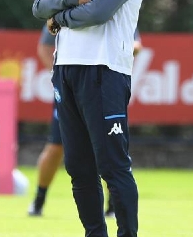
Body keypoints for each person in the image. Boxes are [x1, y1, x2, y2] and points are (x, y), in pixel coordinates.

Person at [31, 0, 147, 237]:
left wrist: (60, 17)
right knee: (79, 167)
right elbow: (38, 4)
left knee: (112, 166)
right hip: (66, 69)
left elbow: (99, 12)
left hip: (104, 71)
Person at [28, 26, 142, 218]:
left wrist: (116, 49)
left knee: (108, 147)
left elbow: (136, 44)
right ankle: (39, 199)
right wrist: (59, 76)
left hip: (104, 88)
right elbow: (44, 47)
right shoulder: (65, 11)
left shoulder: (115, 10)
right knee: (56, 146)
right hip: (71, 88)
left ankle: (113, 205)